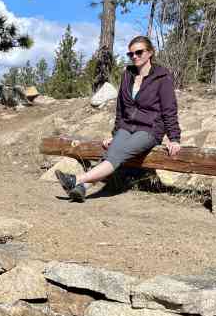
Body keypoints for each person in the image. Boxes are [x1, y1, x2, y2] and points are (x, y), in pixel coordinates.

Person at [56, 35, 181, 202]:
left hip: (150, 129)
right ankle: (83, 188)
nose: (134, 57)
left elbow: (169, 109)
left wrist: (174, 138)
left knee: (119, 153)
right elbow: (121, 108)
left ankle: (78, 180)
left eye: (139, 52)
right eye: (131, 54)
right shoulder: (127, 75)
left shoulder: (162, 77)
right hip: (127, 126)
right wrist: (115, 134)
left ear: (150, 52)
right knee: (113, 150)